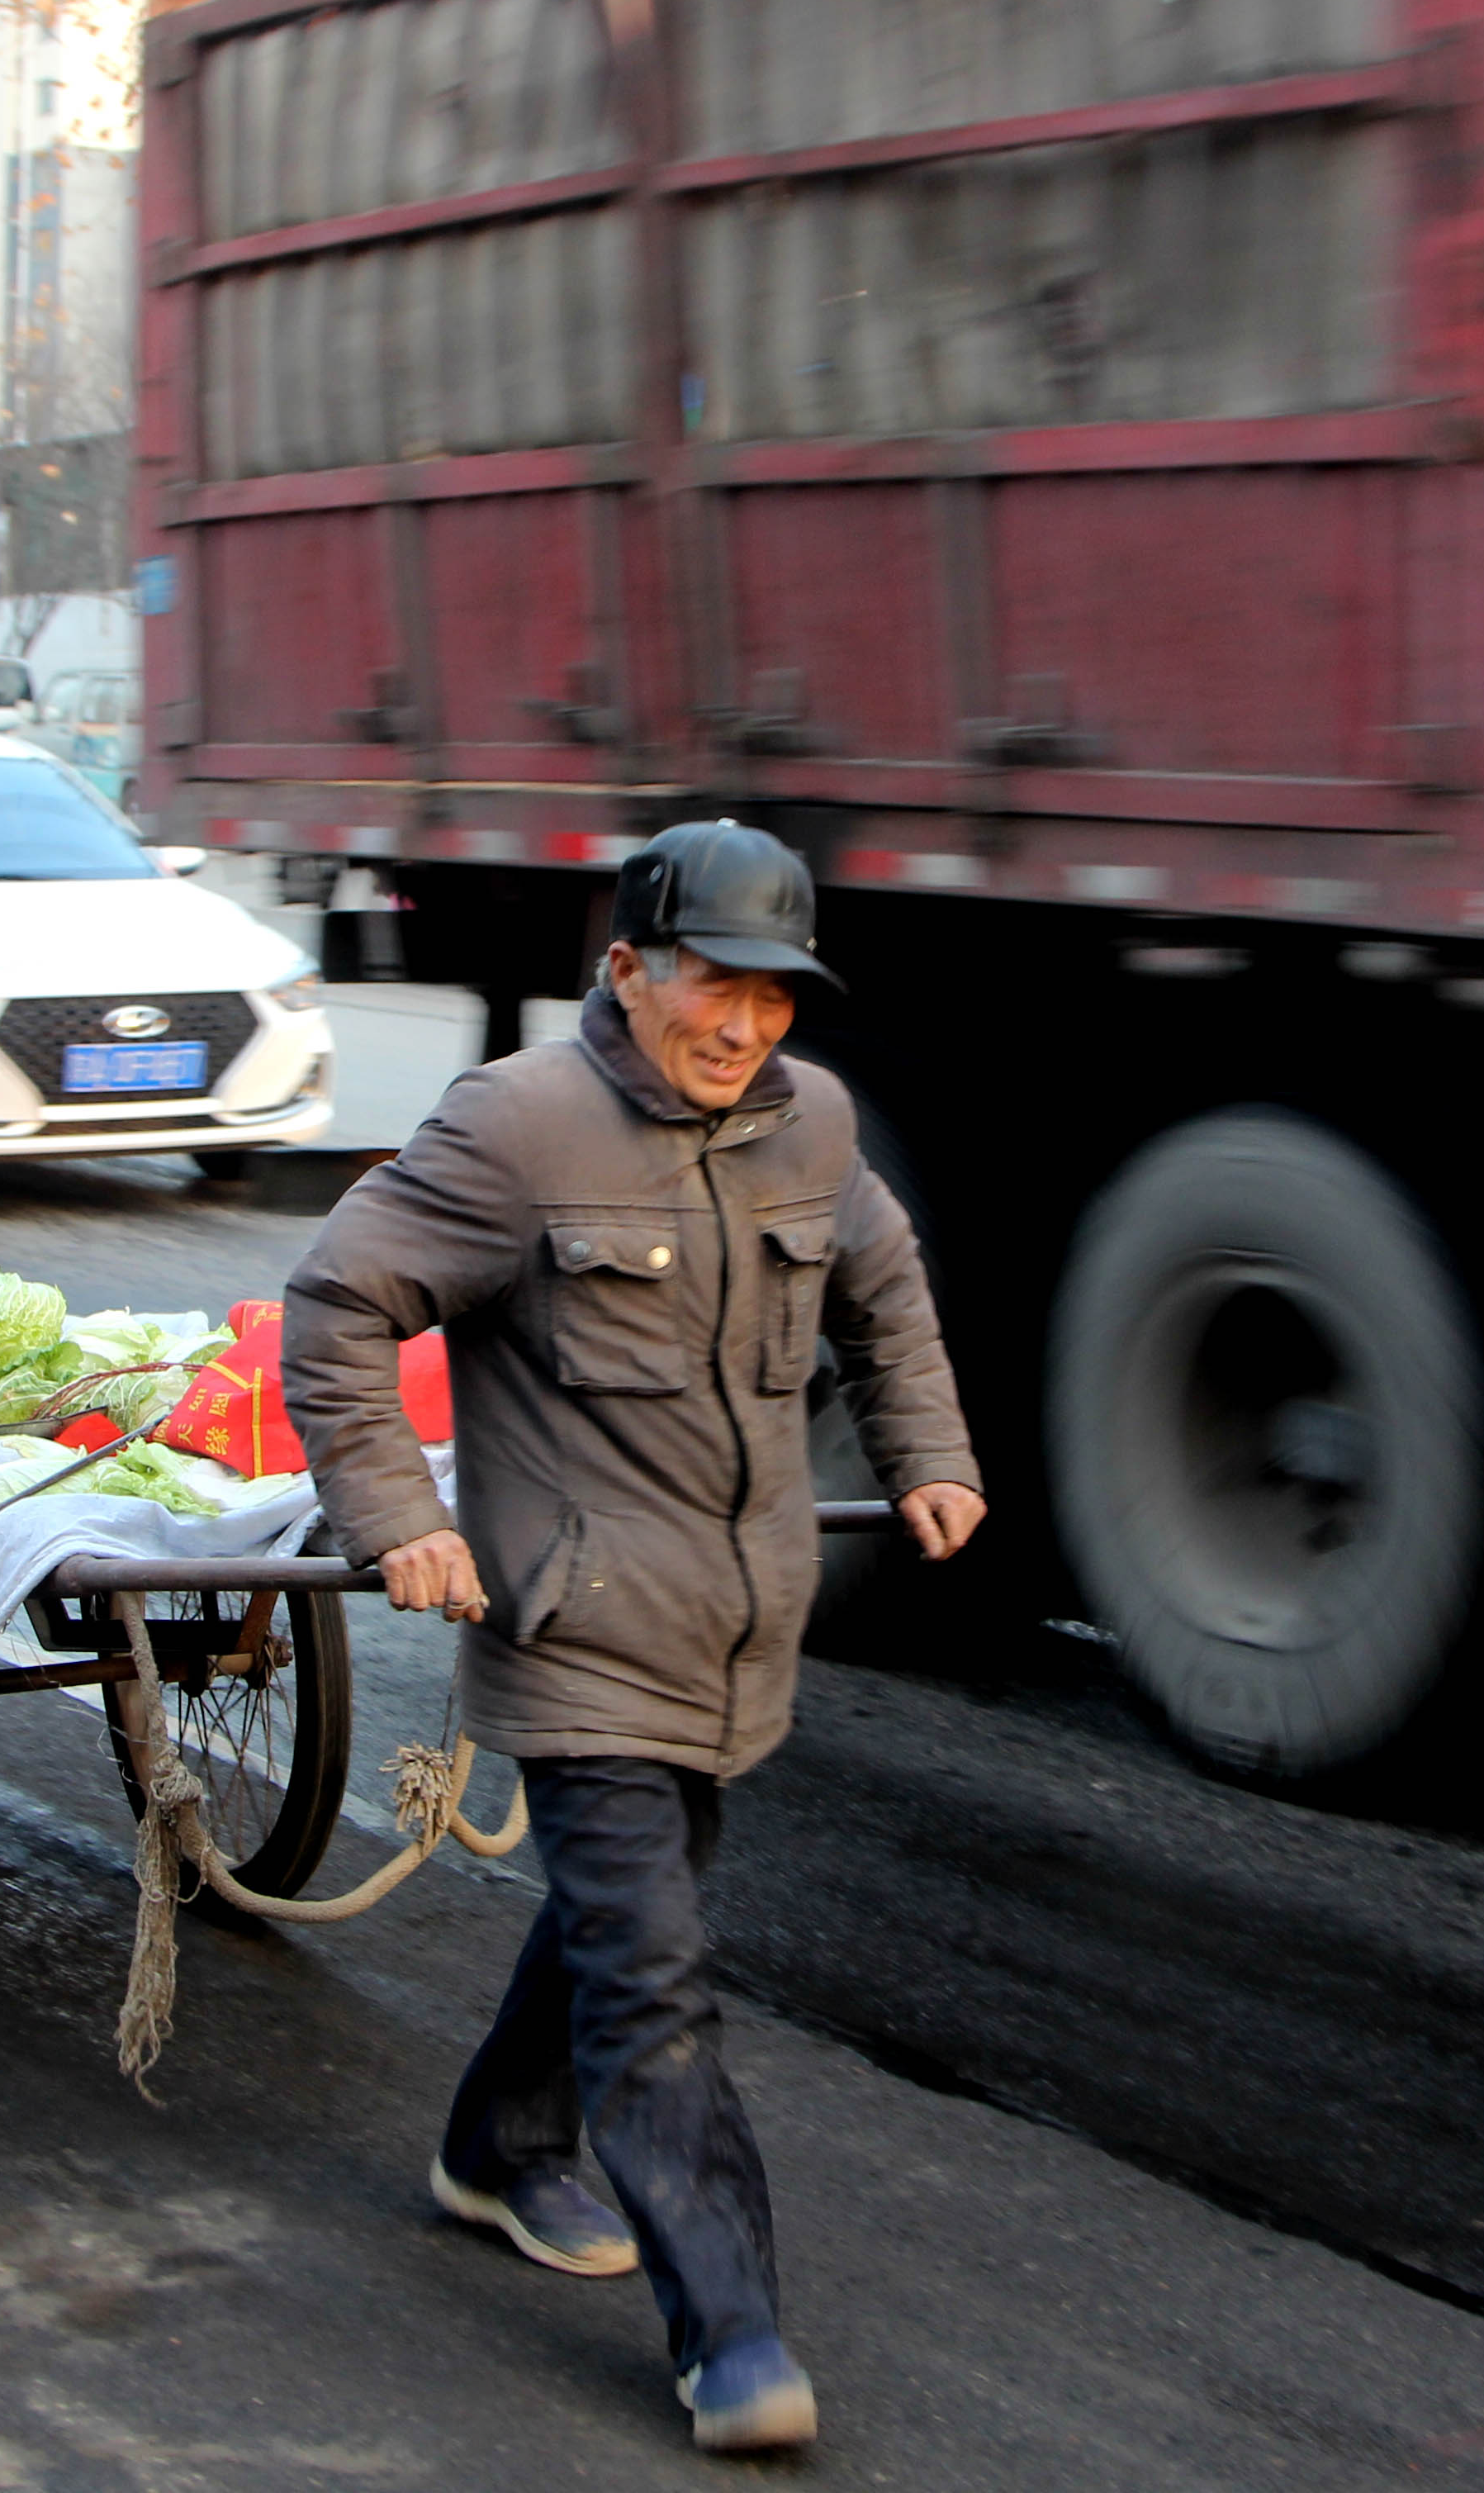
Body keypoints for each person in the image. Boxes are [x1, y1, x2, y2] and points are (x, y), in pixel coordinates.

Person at [282, 819, 984, 2458]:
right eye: (712, 987)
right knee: (655, 1977)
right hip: (579, 1632)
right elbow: (340, 1299)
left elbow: (884, 1287)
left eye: (774, 997)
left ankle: (495, 2144)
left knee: (620, 1922)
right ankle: (731, 2333)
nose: (743, 1028)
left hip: (738, 1628)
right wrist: (404, 1518)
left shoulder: (812, 1124)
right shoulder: (520, 1127)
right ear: (628, 969)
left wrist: (930, 1454)